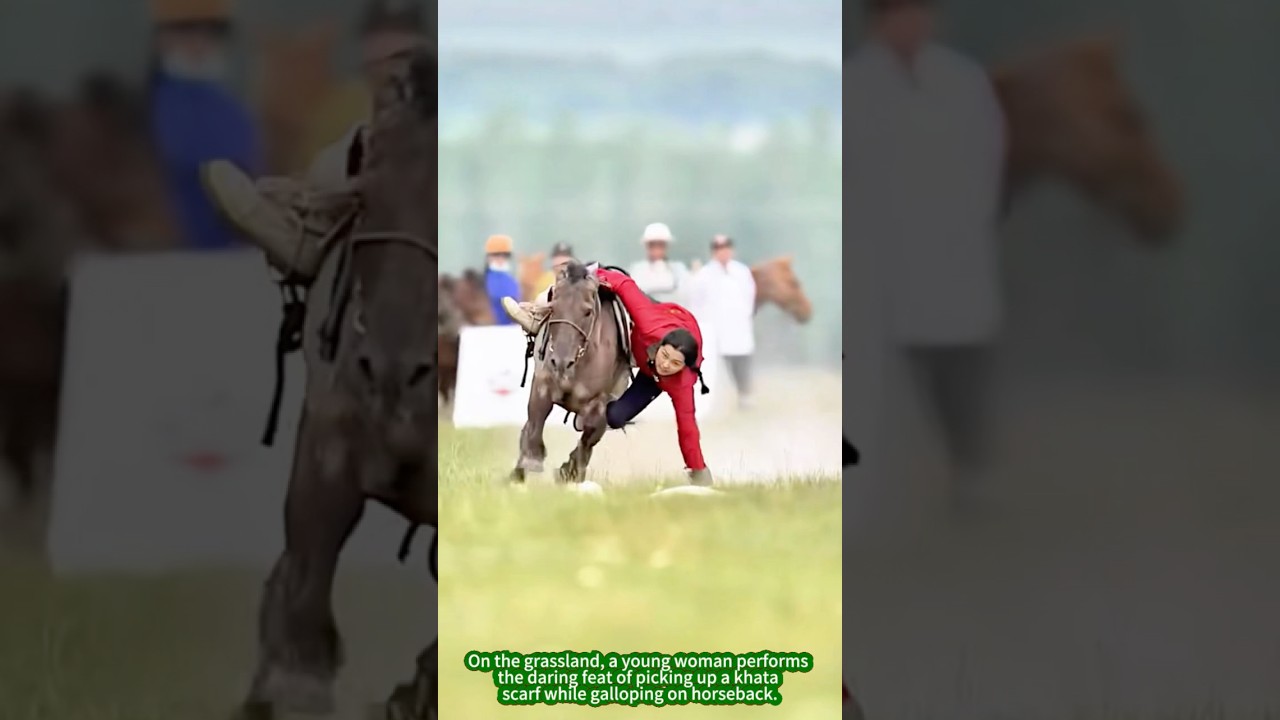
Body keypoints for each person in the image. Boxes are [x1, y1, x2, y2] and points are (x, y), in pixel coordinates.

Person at [844, 0, 1006, 509]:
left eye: (920, 12)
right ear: (879, 22)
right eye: (899, 13)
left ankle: (968, 475)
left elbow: (989, 155)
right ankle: (879, 484)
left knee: (959, 372)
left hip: (953, 248)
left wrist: (966, 221)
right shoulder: (855, 84)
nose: (912, 24)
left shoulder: (964, 79)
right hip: (878, 255)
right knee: (881, 378)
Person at [198, 0, 430, 278]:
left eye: (403, 36)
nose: (391, 46)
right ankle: (307, 221)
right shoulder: (340, 106)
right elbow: (309, 162)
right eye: (382, 36)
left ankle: (306, 231)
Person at [503, 265, 713, 485]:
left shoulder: (680, 382)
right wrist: (591, 277)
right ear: (660, 346)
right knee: (576, 294)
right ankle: (540, 314)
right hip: (660, 324)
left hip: (656, 361)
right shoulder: (647, 322)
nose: (666, 365)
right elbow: (623, 283)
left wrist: (698, 470)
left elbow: (687, 428)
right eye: (665, 356)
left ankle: (583, 448)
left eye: (675, 364)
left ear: (683, 368)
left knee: (613, 417)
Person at [147, 0, 263, 251]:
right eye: (186, 31)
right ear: (161, 38)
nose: (199, 43)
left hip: (237, 251)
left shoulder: (231, 105)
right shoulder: (146, 108)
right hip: (169, 255)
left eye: (210, 32)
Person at [692, 234, 756, 408]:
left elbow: (750, 297)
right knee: (718, 367)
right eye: (719, 249)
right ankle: (717, 400)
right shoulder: (704, 275)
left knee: (741, 364)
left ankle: (745, 397)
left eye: (726, 248)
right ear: (714, 252)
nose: (723, 252)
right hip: (715, 329)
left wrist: (744, 316)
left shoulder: (742, 272)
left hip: (739, 326)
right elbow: (697, 304)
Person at [627, 222, 691, 305]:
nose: (656, 249)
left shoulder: (679, 270)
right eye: (652, 245)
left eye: (660, 245)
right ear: (647, 246)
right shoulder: (637, 271)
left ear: (666, 246)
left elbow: (687, 298)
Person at [483, 234, 520, 325]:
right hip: (490, 328)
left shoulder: (511, 279)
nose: (500, 259)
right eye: (496, 255)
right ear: (489, 257)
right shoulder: (484, 280)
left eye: (504, 255)